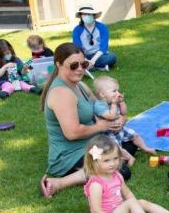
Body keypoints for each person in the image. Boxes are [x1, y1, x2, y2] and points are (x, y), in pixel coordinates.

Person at [40, 43, 129, 198]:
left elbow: (99, 106)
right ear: (58, 64)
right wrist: (101, 126)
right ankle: (58, 182)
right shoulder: (61, 93)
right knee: (119, 169)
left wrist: (118, 118)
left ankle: (88, 167)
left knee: (126, 145)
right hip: (71, 153)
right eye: (74, 65)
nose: (80, 69)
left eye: (84, 64)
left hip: (90, 143)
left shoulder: (79, 84)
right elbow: (72, 133)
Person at [83, 134, 169, 213]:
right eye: (106, 160)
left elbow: (128, 194)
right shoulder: (96, 184)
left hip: (119, 212)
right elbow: (96, 210)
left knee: (141, 202)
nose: (113, 163)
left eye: (115, 158)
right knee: (131, 203)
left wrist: (136, 207)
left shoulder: (117, 175)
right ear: (94, 162)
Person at [92, 76, 156, 160]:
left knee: (134, 135)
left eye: (118, 90)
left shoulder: (113, 101)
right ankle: (129, 158)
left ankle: (145, 148)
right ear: (102, 94)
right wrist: (114, 104)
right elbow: (111, 116)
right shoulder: (99, 105)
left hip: (121, 128)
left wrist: (121, 102)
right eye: (114, 91)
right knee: (116, 148)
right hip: (108, 134)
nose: (118, 93)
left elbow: (124, 112)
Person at [72, 4, 117, 71]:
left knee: (112, 57)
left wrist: (93, 60)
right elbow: (77, 48)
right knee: (71, 59)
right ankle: (99, 68)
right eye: (84, 14)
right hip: (83, 56)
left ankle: (88, 67)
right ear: (81, 16)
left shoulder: (103, 27)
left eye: (89, 14)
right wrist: (85, 60)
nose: (87, 16)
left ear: (94, 15)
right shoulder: (77, 30)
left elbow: (103, 47)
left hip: (99, 55)